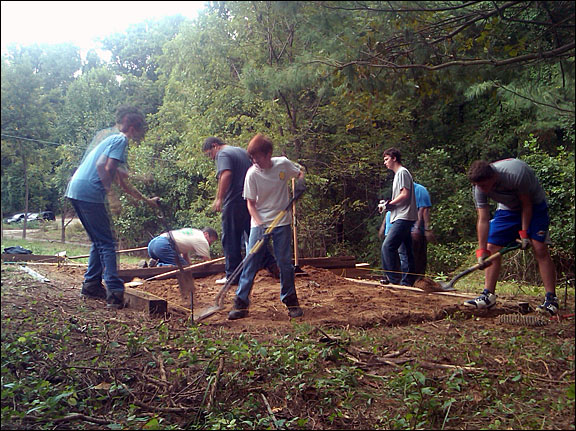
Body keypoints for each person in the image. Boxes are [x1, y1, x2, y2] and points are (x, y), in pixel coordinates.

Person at [66, 106, 159, 309]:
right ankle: (115, 293)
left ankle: (91, 285)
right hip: (89, 192)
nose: (141, 134)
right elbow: (104, 167)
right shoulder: (121, 140)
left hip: (76, 189)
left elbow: (120, 178)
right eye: (141, 129)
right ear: (133, 127)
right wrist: (111, 195)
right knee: (108, 243)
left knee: (99, 241)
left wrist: (146, 200)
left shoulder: (111, 141)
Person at [464, 159, 558, 315]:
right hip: (508, 208)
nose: (482, 190)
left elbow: (526, 205)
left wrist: (524, 233)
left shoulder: (515, 174)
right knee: (492, 247)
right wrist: (482, 252)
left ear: (493, 177)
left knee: (539, 247)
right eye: (478, 186)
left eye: (484, 185)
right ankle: (488, 295)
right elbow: (482, 219)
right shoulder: (479, 187)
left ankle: (551, 299)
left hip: (534, 206)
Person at [228, 133, 305, 320]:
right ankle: (241, 302)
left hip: (282, 222)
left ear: (268, 153)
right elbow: (250, 205)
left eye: (257, 157)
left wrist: (300, 184)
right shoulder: (252, 174)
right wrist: (261, 225)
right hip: (259, 223)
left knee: (285, 262)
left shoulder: (283, 164)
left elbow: (299, 172)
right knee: (251, 261)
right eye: (251, 158)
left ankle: (291, 300)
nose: (254, 161)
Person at [203, 137, 278, 286]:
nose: (211, 158)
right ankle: (274, 266)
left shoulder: (223, 154)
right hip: (249, 200)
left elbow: (226, 174)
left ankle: (232, 276)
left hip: (234, 201)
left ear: (215, 146)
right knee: (254, 237)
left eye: (209, 154)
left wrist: (219, 198)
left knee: (230, 238)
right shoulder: (241, 151)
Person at [378, 182, 435, 283]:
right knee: (392, 253)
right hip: (394, 226)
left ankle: (413, 281)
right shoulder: (398, 191)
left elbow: (424, 210)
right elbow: (390, 208)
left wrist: (421, 228)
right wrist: (384, 227)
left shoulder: (420, 190)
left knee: (410, 256)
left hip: (409, 228)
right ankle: (392, 278)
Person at [379, 148, 418, 286]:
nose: (385, 162)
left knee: (387, 246)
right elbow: (401, 196)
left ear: (394, 158)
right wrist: (389, 204)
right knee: (406, 250)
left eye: (386, 159)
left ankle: (393, 280)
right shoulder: (399, 174)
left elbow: (404, 194)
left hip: (403, 216)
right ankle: (408, 281)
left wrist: (389, 204)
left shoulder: (402, 172)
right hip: (401, 215)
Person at [147, 227, 218, 267]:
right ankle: (159, 265)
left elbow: (184, 255)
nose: (209, 244)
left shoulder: (194, 233)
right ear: (206, 234)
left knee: (184, 264)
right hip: (163, 246)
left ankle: (155, 262)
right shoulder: (202, 240)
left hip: (153, 244)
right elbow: (207, 262)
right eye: (211, 241)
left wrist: (189, 265)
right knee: (183, 267)